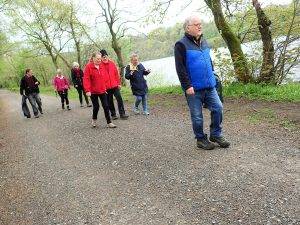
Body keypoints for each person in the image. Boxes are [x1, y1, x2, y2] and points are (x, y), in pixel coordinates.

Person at [174, 15, 230, 150]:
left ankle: (216, 134)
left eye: (200, 24)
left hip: (210, 85)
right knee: (197, 116)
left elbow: (208, 60)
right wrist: (187, 86)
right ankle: (200, 139)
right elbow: (180, 68)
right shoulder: (181, 45)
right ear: (188, 28)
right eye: (196, 24)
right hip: (193, 89)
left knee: (218, 108)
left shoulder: (204, 41)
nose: (200, 26)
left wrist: (213, 75)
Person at [83, 52, 117, 128]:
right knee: (96, 107)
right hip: (93, 91)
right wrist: (87, 90)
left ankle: (109, 122)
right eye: (98, 58)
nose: (99, 60)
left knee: (106, 106)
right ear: (93, 58)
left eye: (100, 58)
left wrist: (105, 87)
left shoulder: (102, 65)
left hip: (102, 90)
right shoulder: (88, 67)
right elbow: (86, 79)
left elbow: (105, 78)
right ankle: (94, 119)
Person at [100, 49, 129, 120]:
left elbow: (116, 75)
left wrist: (119, 84)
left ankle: (122, 114)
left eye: (106, 56)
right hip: (106, 87)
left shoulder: (112, 63)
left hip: (115, 85)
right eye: (103, 56)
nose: (105, 57)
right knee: (109, 101)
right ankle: (113, 114)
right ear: (101, 57)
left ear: (107, 56)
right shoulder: (99, 65)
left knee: (119, 99)